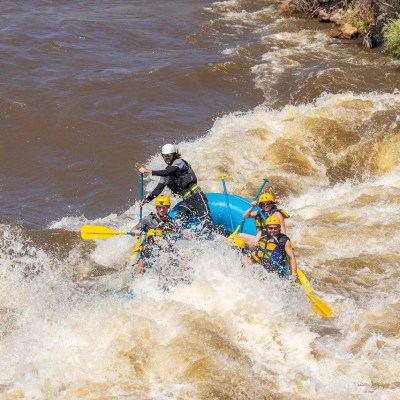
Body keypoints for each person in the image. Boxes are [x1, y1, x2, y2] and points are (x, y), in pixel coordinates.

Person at [138, 143, 213, 231]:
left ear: (174, 155)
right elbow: (159, 189)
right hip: (187, 201)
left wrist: (148, 171)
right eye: (165, 156)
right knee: (177, 223)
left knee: (207, 224)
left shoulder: (179, 162)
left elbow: (168, 172)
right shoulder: (166, 173)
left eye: (169, 155)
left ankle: (229, 237)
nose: (167, 158)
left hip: (197, 197)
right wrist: (146, 200)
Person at [130, 194, 181, 275]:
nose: (161, 210)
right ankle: (137, 276)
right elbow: (133, 230)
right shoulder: (148, 219)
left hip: (165, 246)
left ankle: (177, 277)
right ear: (156, 207)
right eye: (159, 207)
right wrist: (135, 232)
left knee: (184, 255)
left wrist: (186, 232)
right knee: (149, 243)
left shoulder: (171, 221)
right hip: (149, 245)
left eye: (164, 207)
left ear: (168, 207)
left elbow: (180, 231)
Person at [239, 216, 297, 280]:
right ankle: (250, 279)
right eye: (270, 228)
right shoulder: (261, 233)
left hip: (272, 268)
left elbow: (292, 257)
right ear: (267, 228)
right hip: (259, 263)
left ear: (279, 228)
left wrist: (294, 273)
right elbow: (251, 247)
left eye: (275, 228)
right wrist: (254, 244)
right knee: (245, 259)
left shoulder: (284, 240)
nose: (273, 230)